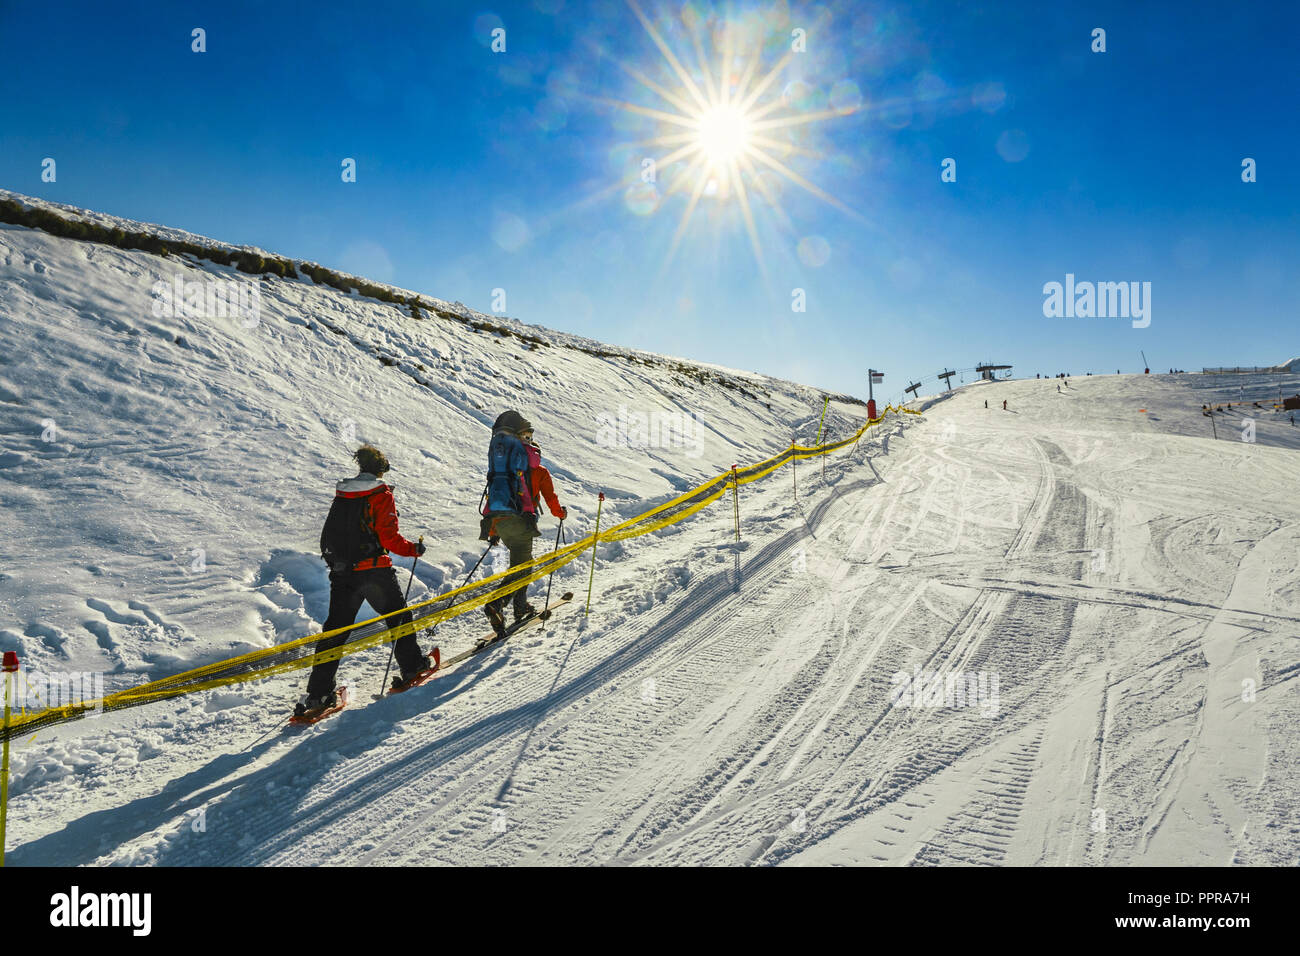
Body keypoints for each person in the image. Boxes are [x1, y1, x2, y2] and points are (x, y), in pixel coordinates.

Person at [298, 445, 430, 715]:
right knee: (399, 617)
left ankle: (318, 694)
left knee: (335, 630)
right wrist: (412, 549)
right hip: (373, 570)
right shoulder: (380, 494)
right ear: (381, 469)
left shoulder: (344, 494)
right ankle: (412, 665)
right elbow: (388, 538)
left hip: (343, 572)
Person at [481, 411, 541, 637]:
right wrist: (530, 445)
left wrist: (492, 526)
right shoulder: (519, 447)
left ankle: (519, 607)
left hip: (498, 516)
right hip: (518, 516)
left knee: (521, 565)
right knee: (523, 568)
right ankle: (497, 603)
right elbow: (534, 463)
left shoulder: (496, 448)